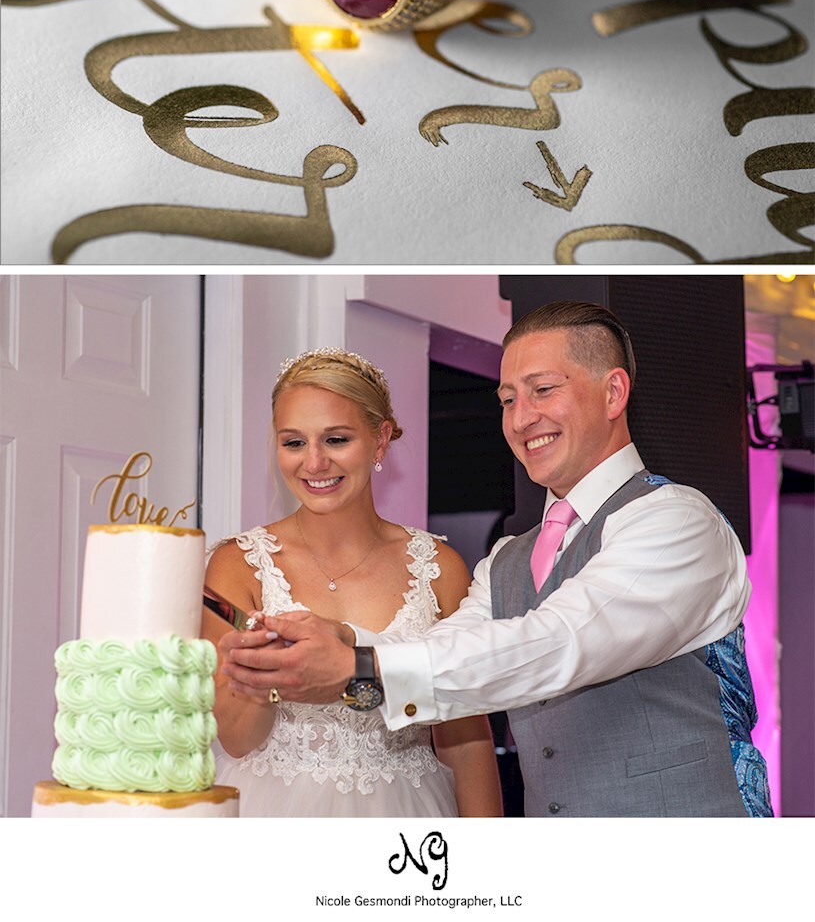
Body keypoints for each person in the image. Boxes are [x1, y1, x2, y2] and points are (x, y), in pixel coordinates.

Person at [222, 303, 772, 819]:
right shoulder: (509, 558)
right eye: (508, 399)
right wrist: (340, 640)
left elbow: (559, 643)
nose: (521, 417)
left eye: (543, 390)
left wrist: (356, 668)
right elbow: (442, 650)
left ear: (613, 392)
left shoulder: (677, 520)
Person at [204, 347, 502, 818]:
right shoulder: (237, 565)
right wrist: (265, 675)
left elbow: (466, 741)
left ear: (380, 440)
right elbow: (238, 740)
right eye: (294, 442)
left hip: (408, 814)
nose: (315, 463)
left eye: (337, 439)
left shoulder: (440, 568)